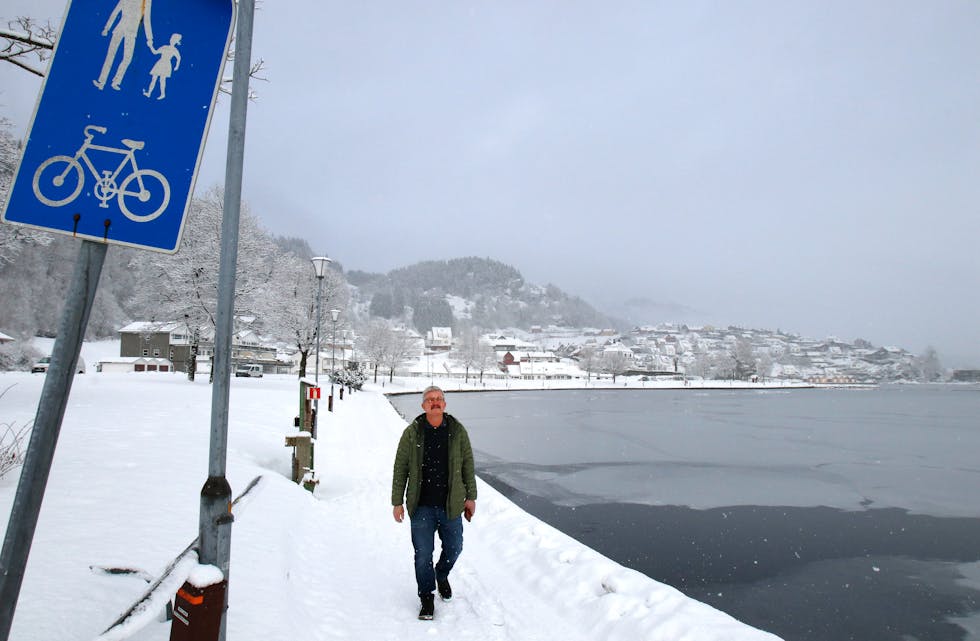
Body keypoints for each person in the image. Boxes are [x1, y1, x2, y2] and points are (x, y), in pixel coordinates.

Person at [391, 385, 477, 621]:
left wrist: (471, 497)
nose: (435, 402)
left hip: (451, 505)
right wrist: (397, 501)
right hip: (422, 507)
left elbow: (468, 465)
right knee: (422, 554)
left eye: (439, 399)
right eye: (430, 399)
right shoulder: (413, 433)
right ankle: (426, 597)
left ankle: (441, 574)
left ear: (445, 404)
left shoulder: (457, 431)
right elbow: (401, 468)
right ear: (423, 405)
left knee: (455, 547)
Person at [143, 33, 181, 100]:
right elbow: (155, 52)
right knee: (154, 79)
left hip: (166, 64)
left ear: (176, 42)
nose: (172, 40)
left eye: (174, 39)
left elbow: (179, 58)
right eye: (171, 38)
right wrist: (151, 46)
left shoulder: (175, 50)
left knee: (162, 80)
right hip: (160, 63)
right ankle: (149, 93)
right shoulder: (164, 47)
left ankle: (162, 94)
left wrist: (176, 66)